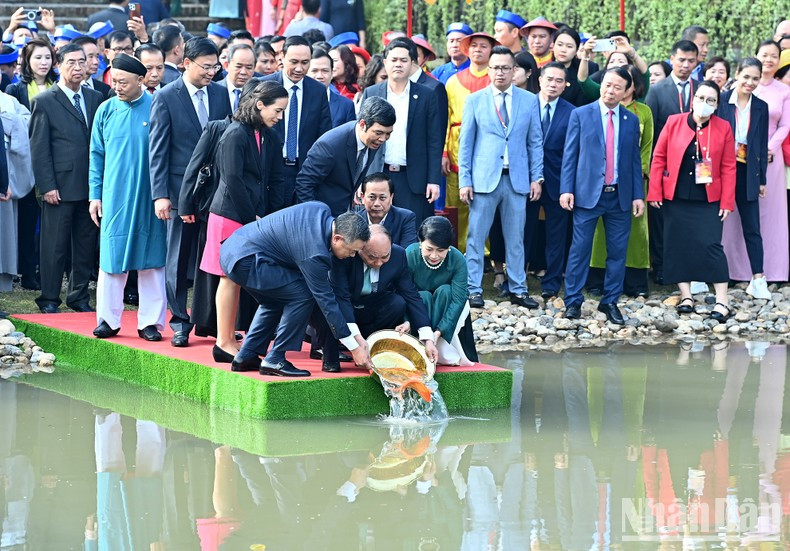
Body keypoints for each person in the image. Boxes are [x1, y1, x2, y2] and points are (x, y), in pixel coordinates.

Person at [219, 204, 374, 376]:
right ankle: (275, 359)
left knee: (274, 301)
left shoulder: (320, 210)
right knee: (304, 295)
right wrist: (354, 348)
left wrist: (357, 337)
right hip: (246, 259)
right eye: (352, 251)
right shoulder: (315, 253)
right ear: (337, 238)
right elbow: (326, 301)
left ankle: (246, 355)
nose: (352, 256)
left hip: (235, 249)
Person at [149, 37, 233, 347]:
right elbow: (157, 150)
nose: (212, 72)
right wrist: (160, 194)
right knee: (177, 256)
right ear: (187, 63)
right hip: (177, 189)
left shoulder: (222, 95)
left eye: (216, 66)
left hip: (212, 193)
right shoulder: (167, 96)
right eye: (206, 66)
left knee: (209, 256)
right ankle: (179, 320)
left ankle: (206, 320)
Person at [199, 81, 287, 363]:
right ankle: (223, 342)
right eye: (278, 110)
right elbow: (232, 180)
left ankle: (229, 338)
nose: (280, 117)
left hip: (248, 216)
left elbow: (265, 179)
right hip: (230, 215)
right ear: (260, 105)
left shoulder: (263, 133)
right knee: (228, 278)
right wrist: (252, 221)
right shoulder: (235, 133)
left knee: (235, 279)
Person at [89, 54, 167, 340]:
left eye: (123, 82)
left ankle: (150, 322)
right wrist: (94, 195)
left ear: (140, 80)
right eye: (114, 81)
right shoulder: (106, 110)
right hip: (114, 195)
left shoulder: (158, 107)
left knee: (152, 259)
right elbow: (96, 155)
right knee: (111, 259)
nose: (117, 87)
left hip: (151, 195)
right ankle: (107, 321)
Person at [459, 46, 543, 310]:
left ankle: (518, 288)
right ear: (488, 69)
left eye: (506, 68)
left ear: (514, 70)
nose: (500, 72)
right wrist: (465, 180)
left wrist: (536, 177)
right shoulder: (475, 100)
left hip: (517, 179)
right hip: (483, 180)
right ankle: (473, 289)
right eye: (495, 67)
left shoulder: (528, 100)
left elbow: (535, 142)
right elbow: (466, 145)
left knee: (515, 238)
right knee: (476, 237)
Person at [560, 67, 645, 325]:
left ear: (626, 91)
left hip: (619, 195)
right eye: (607, 85)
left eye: (617, 87)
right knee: (579, 250)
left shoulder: (630, 121)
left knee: (618, 252)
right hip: (587, 195)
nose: (610, 90)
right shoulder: (581, 114)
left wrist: (638, 196)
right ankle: (573, 300)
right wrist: (566, 189)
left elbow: (633, 161)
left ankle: (610, 301)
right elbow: (570, 155)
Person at [647, 80, 736, 321]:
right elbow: (659, 157)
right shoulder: (674, 122)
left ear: (717, 105)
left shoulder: (724, 127)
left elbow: (729, 166)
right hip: (675, 196)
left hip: (708, 198)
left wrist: (727, 201)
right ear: (693, 99)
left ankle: (722, 301)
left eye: (711, 100)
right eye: (701, 98)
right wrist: (654, 191)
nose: (705, 104)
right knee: (676, 245)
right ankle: (686, 296)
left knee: (711, 246)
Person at [28, 43, 103, 314]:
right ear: (59, 65)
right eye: (71, 62)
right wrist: (47, 185)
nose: (78, 68)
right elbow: (39, 148)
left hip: (90, 187)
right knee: (54, 246)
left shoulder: (95, 98)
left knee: (84, 246)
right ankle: (49, 298)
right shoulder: (45, 101)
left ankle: (79, 296)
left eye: (82, 62)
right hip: (59, 186)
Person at [320, 225, 438, 372]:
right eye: (372, 257)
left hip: (371, 305)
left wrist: (427, 337)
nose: (378, 263)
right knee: (330, 307)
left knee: (397, 303)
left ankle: (373, 347)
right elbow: (341, 297)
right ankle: (331, 357)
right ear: (359, 247)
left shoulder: (398, 254)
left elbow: (411, 294)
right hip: (344, 304)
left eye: (385, 257)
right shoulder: (345, 255)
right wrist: (354, 341)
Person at [588, 64, 654, 297]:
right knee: (599, 233)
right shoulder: (594, 110)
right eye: (611, 84)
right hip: (601, 181)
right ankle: (597, 280)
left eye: (624, 84)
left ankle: (634, 282)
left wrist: (640, 175)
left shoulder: (642, 112)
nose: (616, 89)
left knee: (636, 232)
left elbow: (646, 147)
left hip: (633, 181)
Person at [361, 38, 442, 225]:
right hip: (378, 174)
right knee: (375, 231)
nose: (398, 64)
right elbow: (362, 138)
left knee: (411, 232)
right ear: (385, 63)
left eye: (404, 60)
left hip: (413, 178)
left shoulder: (426, 95)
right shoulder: (372, 93)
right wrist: (361, 179)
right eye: (394, 60)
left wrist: (433, 180)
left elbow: (434, 140)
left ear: (412, 63)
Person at [645, 39, 700, 285]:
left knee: (689, 216)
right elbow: (651, 130)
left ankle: (690, 265)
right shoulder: (657, 90)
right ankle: (661, 266)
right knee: (661, 218)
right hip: (666, 164)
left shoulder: (702, 89)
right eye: (681, 60)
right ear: (671, 59)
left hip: (697, 165)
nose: (686, 65)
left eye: (691, 61)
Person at [6, 39, 58, 291]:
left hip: (54, 162)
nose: (43, 62)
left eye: (47, 57)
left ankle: (48, 272)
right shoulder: (16, 90)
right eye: (37, 58)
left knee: (52, 223)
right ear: (27, 61)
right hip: (26, 163)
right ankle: (27, 273)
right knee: (28, 222)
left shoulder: (58, 86)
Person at [720, 58, 771, 298]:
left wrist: (762, 180)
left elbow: (761, 144)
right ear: (737, 74)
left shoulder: (761, 106)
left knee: (752, 227)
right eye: (746, 77)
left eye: (755, 78)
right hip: (721, 171)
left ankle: (758, 279)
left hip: (747, 171)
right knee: (712, 224)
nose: (750, 82)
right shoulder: (721, 100)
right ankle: (701, 275)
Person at [262, 35, 332, 205]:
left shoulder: (318, 91)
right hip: (270, 171)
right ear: (282, 58)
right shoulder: (264, 86)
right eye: (294, 62)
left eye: (305, 62)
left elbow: (324, 136)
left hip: (304, 174)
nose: (299, 68)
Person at [444, 31, 498, 252]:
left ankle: (486, 252)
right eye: (474, 45)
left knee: (486, 204)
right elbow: (446, 119)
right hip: (456, 147)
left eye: (483, 46)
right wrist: (444, 153)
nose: (478, 49)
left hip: (488, 149)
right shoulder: (453, 81)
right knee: (456, 204)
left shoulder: (496, 80)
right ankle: (454, 248)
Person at [295, 96, 395, 215]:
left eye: (388, 134)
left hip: (344, 213)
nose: (383, 139)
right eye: (379, 133)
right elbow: (304, 184)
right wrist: (316, 218)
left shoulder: (372, 141)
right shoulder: (330, 145)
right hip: (322, 214)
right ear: (362, 124)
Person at [405, 217, 477, 366]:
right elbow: (404, 292)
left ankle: (444, 348)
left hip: (447, 307)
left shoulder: (457, 259)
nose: (434, 256)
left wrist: (437, 333)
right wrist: (407, 321)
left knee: (446, 290)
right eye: (429, 249)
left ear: (449, 247)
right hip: (417, 308)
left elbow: (458, 299)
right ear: (420, 242)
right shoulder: (409, 255)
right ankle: (419, 345)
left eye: (441, 250)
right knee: (422, 296)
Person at [530, 62, 573, 299]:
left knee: (557, 236)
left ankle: (552, 283)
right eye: (549, 79)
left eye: (559, 81)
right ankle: (518, 280)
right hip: (526, 181)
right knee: (523, 233)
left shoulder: (572, 111)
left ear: (565, 85)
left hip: (559, 182)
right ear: (540, 80)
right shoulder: (524, 104)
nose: (553, 84)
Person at [750, 39, 790, 283]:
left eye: (774, 56)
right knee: (744, 211)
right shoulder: (744, 85)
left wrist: (768, 147)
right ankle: (739, 269)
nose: (768, 59)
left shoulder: (784, 91)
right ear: (756, 55)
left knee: (772, 214)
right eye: (764, 54)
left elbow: (786, 125)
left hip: (771, 158)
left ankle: (773, 270)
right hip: (743, 156)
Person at [359, 172, 418, 247]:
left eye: (382, 198)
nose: (377, 203)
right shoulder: (354, 220)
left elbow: (406, 253)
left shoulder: (405, 218)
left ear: (391, 197)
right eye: (372, 197)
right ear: (362, 197)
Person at [308, 48, 355, 127]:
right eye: (314, 71)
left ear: (332, 73)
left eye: (325, 71)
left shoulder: (346, 106)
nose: (320, 76)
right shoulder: (296, 101)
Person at [217, 43, 255, 112]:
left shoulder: (259, 93)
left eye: (249, 68)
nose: (243, 72)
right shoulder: (213, 91)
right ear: (226, 66)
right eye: (238, 67)